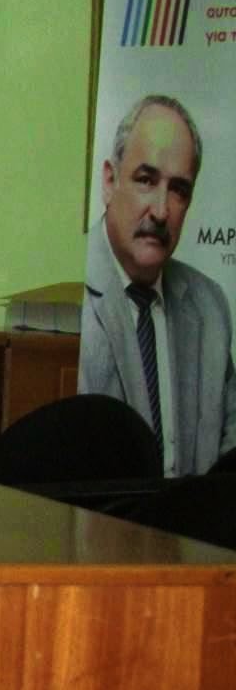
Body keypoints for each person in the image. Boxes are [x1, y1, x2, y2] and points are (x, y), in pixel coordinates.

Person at [78, 94, 236, 476]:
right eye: (146, 180)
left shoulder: (210, 305)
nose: (162, 211)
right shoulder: (69, 293)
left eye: (178, 189)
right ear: (110, 181)